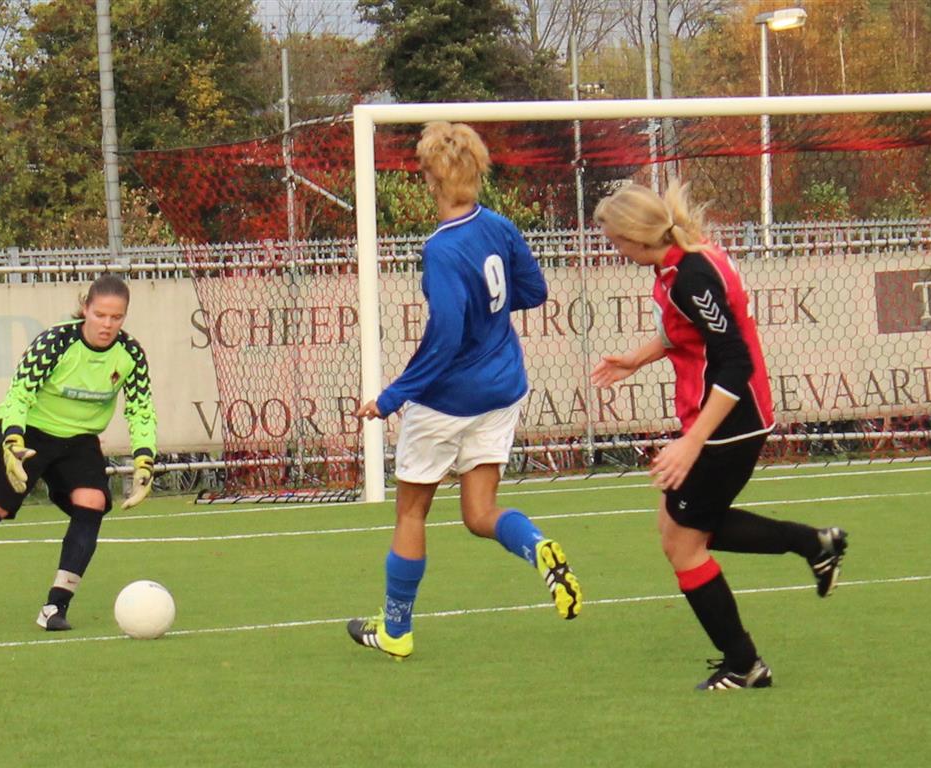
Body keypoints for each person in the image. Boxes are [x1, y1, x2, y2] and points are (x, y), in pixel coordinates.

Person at [590, 181, 847, 690]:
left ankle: (744, 663)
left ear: (638, 238)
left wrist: (692, 443)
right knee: (676, 523)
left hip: (730, 423)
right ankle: (813, 544)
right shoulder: (680, 261)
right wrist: (635, 359)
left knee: (684, 545)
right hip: (719, 419)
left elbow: (735, 361)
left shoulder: (690, 274)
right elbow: (691, 331)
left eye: (615, 241)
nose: (613, 250)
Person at [347, 121, 584, 659]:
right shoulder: (498, 226)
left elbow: (447, 334)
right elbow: (534, 290)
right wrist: (490, 314)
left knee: (411, 514)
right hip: (502, 390)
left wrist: (392, 397)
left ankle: (397, 632)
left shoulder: (442, 249)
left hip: (449, 402)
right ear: (477, 171)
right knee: (480, 513)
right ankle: (539, 547)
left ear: (431, 177)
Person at [0, 274, 157, 631]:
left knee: (91, 502)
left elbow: (140, 409)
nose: (107, 324)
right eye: (101, 314)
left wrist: (144, 458)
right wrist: (12, 441)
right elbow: (19, 394)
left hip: (80, 439)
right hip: (28, 430)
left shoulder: (130, 354)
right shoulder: (57, 342)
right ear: (86, 308)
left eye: (116, 317)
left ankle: (55, 608)